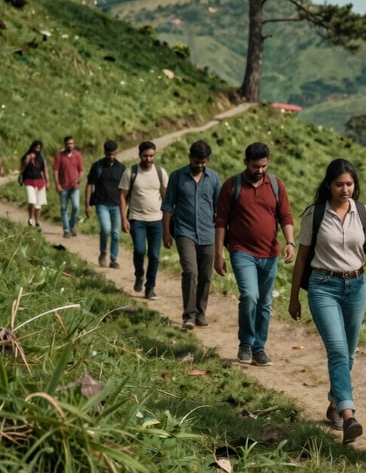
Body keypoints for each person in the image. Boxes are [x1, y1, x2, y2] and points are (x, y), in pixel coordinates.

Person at [288, 159, 366, 444]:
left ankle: (334, 403)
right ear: (328, 185)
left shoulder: (365, 214)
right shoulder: (315, 215)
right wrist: (295, 295)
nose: (345, 190)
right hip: (323, 287)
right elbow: (303, 258)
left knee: (350, 352)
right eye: (339, 184)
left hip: (356, 287)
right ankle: (348, 415)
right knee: (337, 350)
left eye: (349, 184)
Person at [215, 142, 295, 367]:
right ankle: (246, 343)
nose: (260, 170)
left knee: (265, 302)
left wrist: (290, 242)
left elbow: (285, 217)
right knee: (250, 296)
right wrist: (218, 253)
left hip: (270, 253)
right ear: (245, 163)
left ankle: (259, 348)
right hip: (242, 251)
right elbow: (220, 221)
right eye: (255, 166)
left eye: (264, 166)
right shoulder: (232, 186)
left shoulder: (276, 185)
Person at [162, 140, 221, 330]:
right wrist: (166, 233)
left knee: (205, 275)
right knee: (190, 272)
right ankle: (188, 315)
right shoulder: (177, 177)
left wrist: (221, 239)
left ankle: (200, 313)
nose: (200, 165)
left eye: (203, 162)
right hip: (184, 231)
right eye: (197, 162)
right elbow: (167, 207)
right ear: (190, 158)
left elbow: (219, 209)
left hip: (208, 233)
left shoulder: (214, 179)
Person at [119, 141, 169, 300]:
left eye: (151, 156)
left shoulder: (160, 173)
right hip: (137, 219)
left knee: (154, 255)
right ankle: (139, 274)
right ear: (139, 155)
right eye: (145, 156)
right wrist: (123, 219)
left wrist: (169, 221)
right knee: (140, 250)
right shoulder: (131, 172)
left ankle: (150, 287)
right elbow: (122, 196)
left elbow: (166, 196)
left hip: (157, 220)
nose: (149, 159)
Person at [85, 140, 126, 270]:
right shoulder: (97, 166)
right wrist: (87, 204)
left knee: (116, 233)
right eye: (109, 154)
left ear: (117, 153)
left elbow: (125, 189)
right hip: (101, 203)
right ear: (104, 153)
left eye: (113, 154)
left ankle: (113, 259)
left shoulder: (122, 168)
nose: (111, 157)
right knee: (106, 228)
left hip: (117, 204)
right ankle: (103, 252)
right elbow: (90, 184)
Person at [53, 135, 84, 238]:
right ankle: (66, 229)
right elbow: (56, 171)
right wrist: (57, 184)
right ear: (65, 144)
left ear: (74, 144)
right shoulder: (59, 156)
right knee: (64, 208)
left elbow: (81, 170)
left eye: (71, 143)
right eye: (68, 144)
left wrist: (78, 180)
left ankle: (72, 226)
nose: (70, 145)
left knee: (76, 207)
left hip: (74, 187)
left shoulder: (77, 155)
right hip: (63, 187)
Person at [20, 140, 49, 228]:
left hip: (40, 182)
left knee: (38, 204)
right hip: (29, 181)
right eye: (36, 147)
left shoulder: (42, 159)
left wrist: (47, 182)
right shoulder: (26, 157)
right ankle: (30, 219)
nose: (37, 149)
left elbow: (45, 170)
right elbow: (22, 169)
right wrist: (27, 160)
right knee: (31, 200)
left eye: (39, 147)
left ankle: (37, 222)